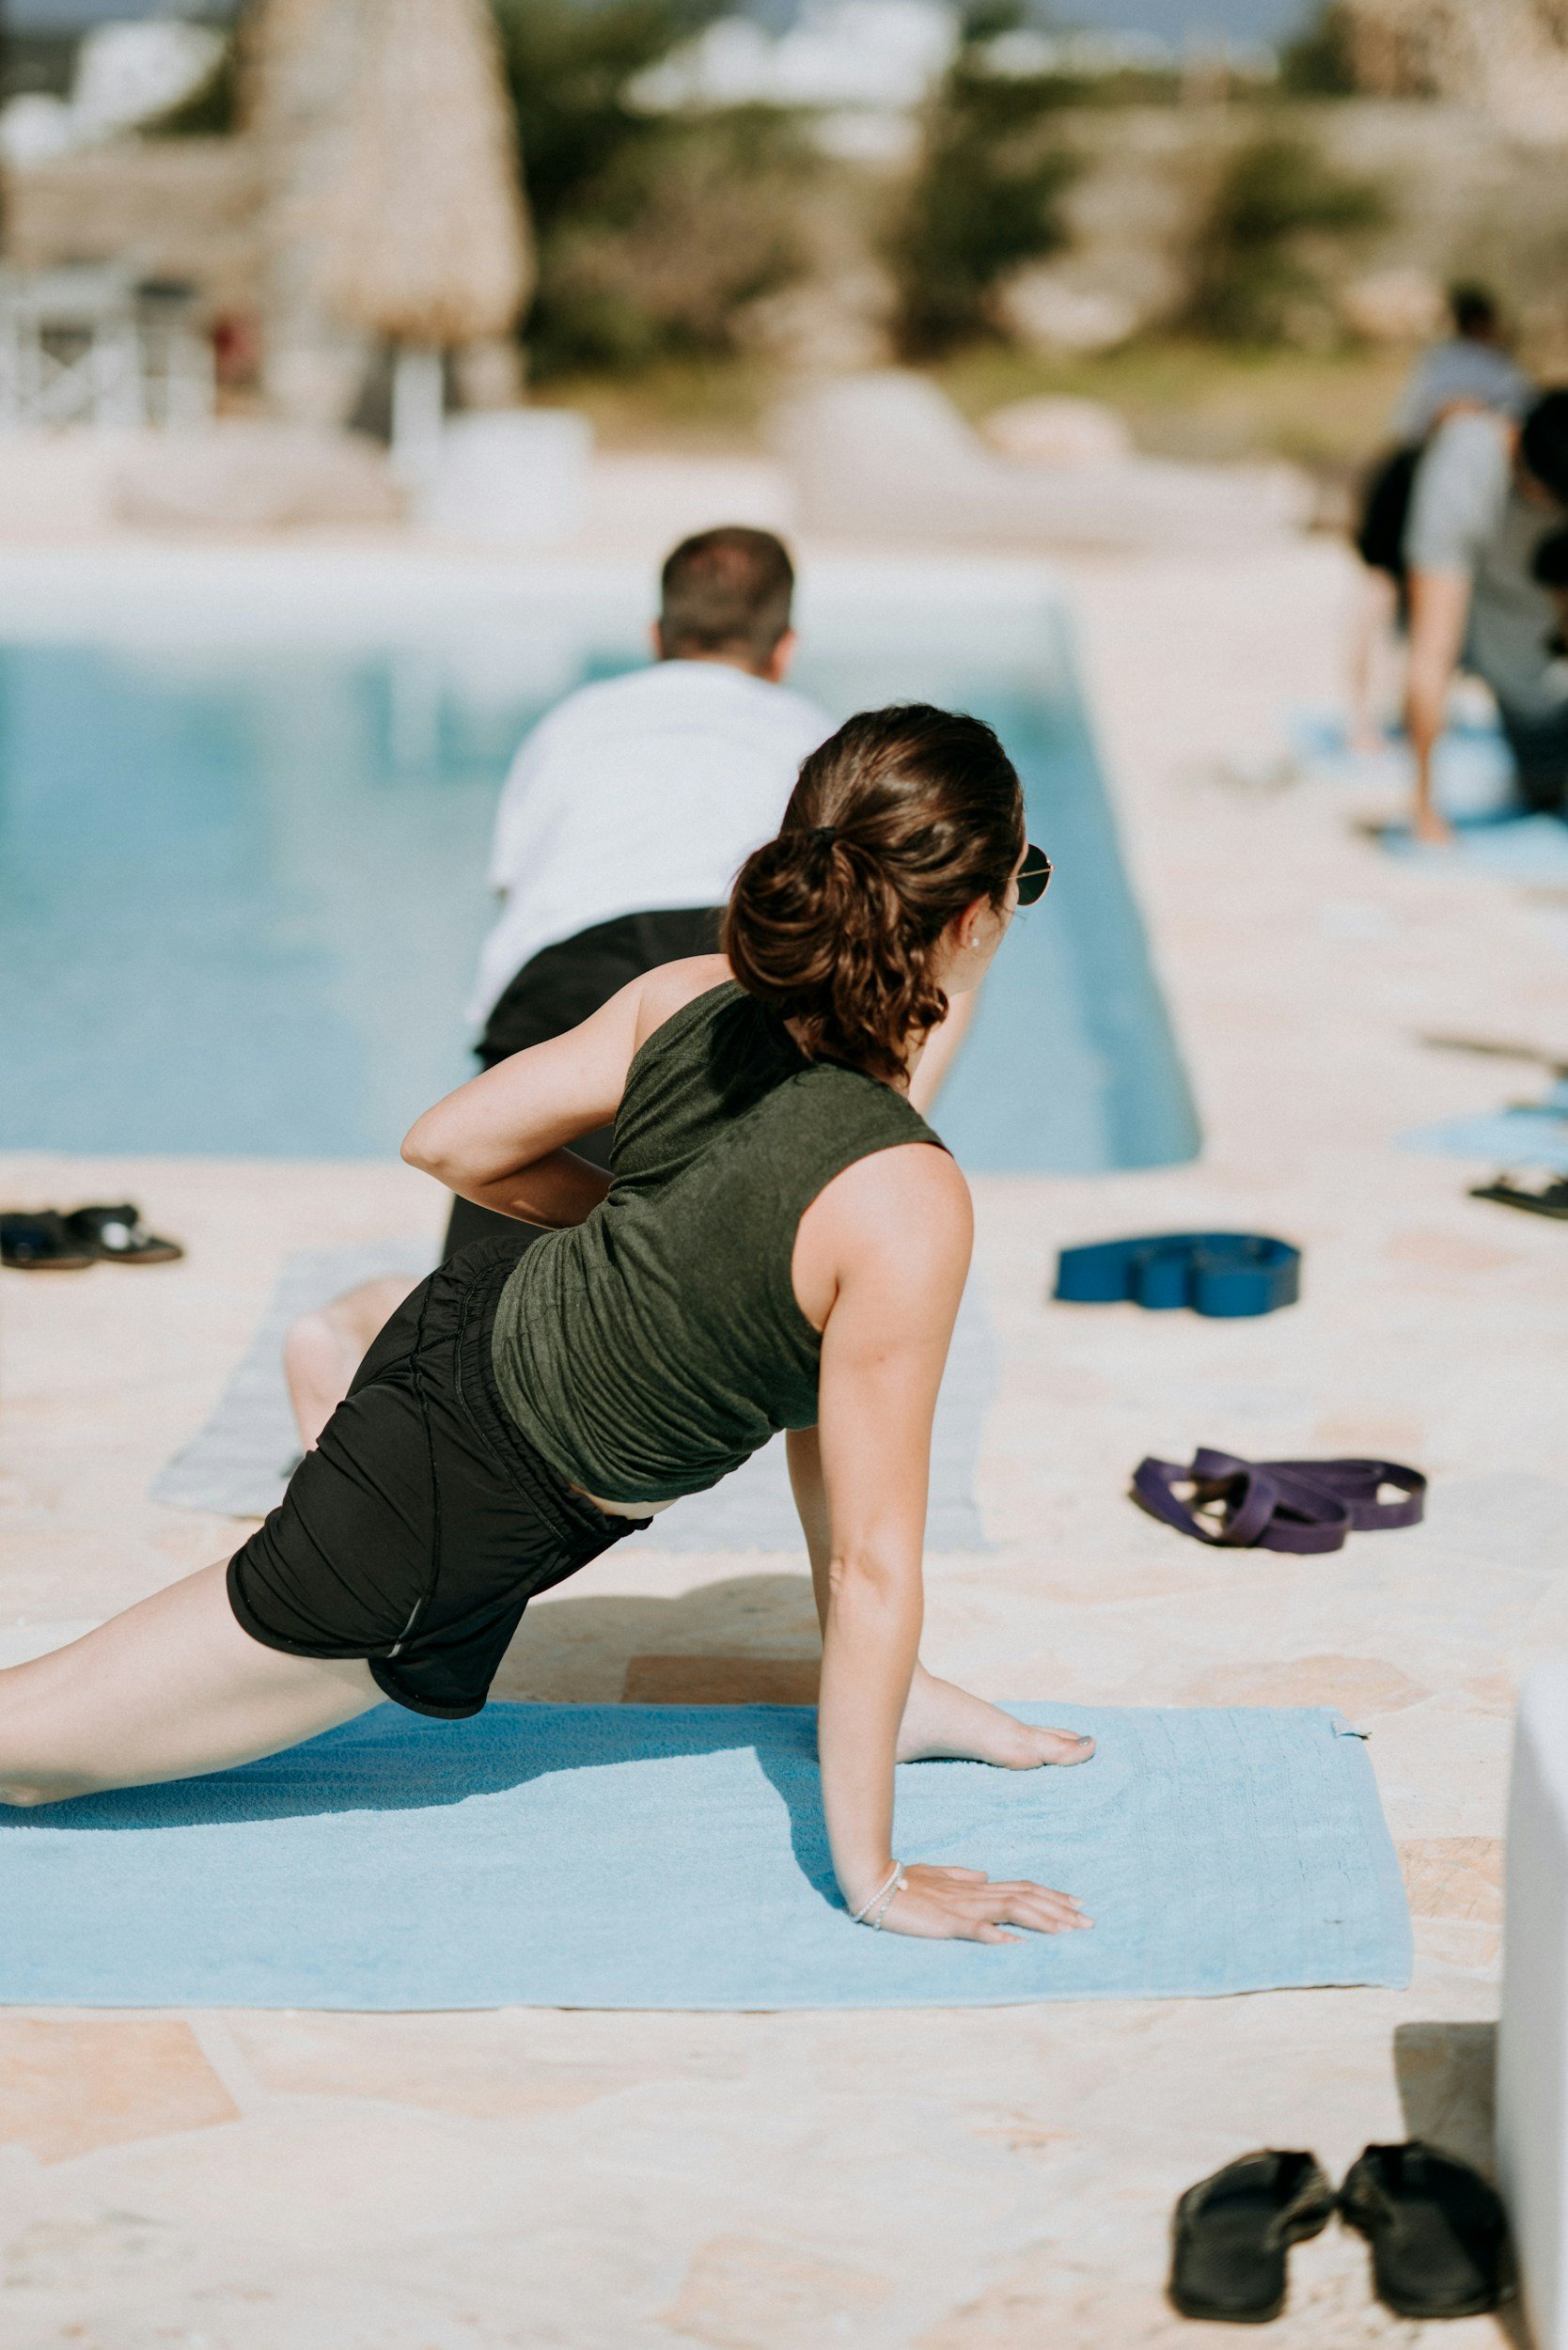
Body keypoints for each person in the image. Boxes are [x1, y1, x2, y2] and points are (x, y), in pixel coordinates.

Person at [0, 704, 1090, 1948]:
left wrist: (635, 1222)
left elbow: (450, 1142)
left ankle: (337, 1365)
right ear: (972, 919)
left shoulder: (697, 997)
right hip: (437, 1517)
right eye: (1023, 887)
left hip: (463, 1332)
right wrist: (876, 1874)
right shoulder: (904, 1203)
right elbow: (874, 1560)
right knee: (27, 1751)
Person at [284, 527, 980, 1445]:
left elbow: (518, 889)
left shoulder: (570, 725)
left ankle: (360, 1322)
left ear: (657, 634)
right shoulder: (816, 738)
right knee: (741, 1265)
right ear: (785, 646)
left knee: (495, 1306)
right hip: (735, 967)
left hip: (563, 974)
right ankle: (876, 1158)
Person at [1349, 287, 1533, 754]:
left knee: (1380, 596)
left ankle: (1362, 723)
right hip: (1437, 484)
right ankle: (1411, 722)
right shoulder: (1499, 371)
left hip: (1401, 471)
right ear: (1486, 325)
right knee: (1434, 622)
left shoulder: (1435, 361)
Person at [1402, 387, 1568, 842]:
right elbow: (1431, 652)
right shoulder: (1463, 470)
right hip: (1523, 681)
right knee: (1545, 790)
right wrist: (1424, 806)